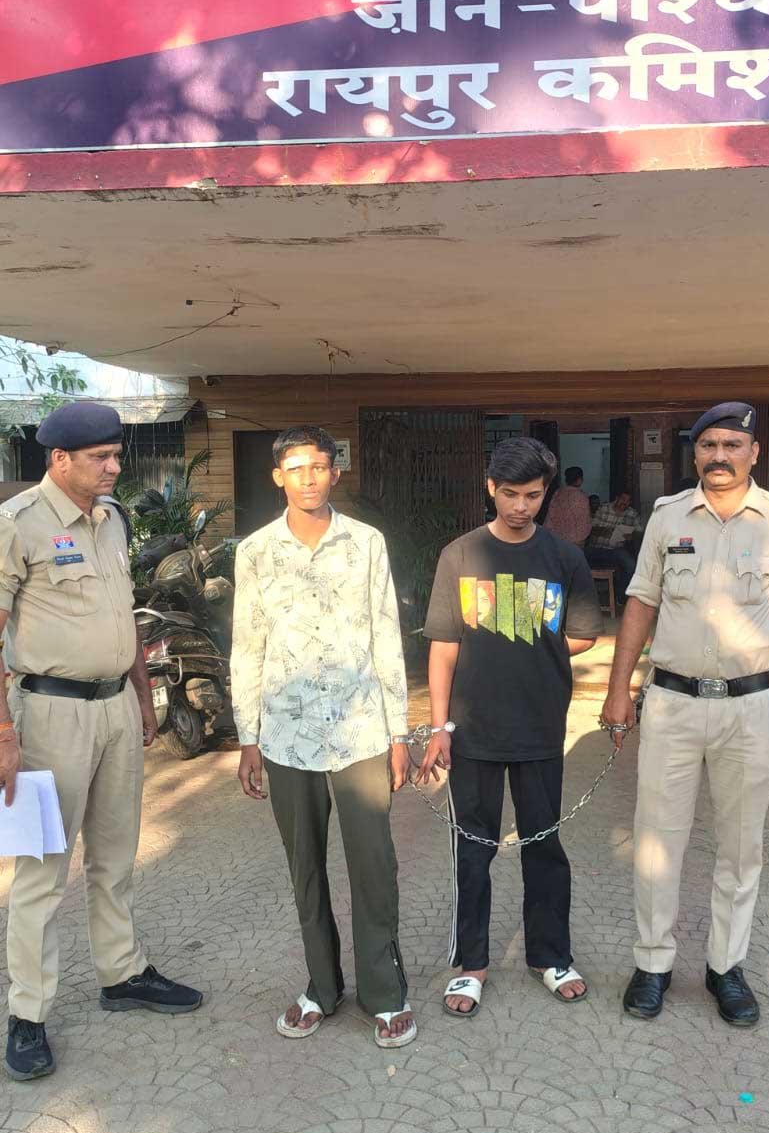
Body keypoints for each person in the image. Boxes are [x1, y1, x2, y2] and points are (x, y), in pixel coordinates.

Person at [602, 403, 769, 1028]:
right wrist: (618, 689)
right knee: (656, 841)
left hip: (750, 708)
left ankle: (726, 967)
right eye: (708, 445)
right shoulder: (667, 515)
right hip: (671, 703)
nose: (719, 456)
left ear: (754, 452)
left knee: (741, 845)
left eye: (732, 444)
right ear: (694, 453)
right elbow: (641, 602)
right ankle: (653, 963)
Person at [0, 403, 203, 1083]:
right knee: (42, 871)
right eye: (101, 457)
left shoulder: (113, 518)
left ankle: (121, 974)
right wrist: (3, 734)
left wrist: (144, 697)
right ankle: (28, 1013)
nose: (115, 467)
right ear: (59, 459)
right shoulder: (17, 523)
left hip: (116, 707)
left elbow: (124, 616)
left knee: (115, 855)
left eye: (117, 455)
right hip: (47, 717)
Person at [231, 425, 416, 1049]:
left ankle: (384, 992)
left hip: (360, 732)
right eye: (296, 468)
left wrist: (398, 733)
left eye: (319, 466)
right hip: (285, 736)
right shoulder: (255, 552)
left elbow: (387, 636)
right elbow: (248, 644)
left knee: (374, 865)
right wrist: (248, 737)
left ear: (336, 473)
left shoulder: (366, 543)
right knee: (305, 867)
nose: (308, 478)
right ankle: (321, 986)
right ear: (277, 476)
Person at [417, 437, 602, 1017]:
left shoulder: (564, 558)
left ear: (546, 494)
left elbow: (583, 634)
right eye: (511, 494)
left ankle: (550, 956)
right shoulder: (460, 555)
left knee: (544, 846)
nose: (522, 506)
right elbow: (443, 647)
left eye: (534, 495)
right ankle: (470, 964)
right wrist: (440, 726)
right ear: (491, 488)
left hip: (540, 727)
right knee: (473, 849)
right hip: (473, 729)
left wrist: (531, 653)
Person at [586, 489, 642, 606]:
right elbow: (590, 528)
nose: (624, 503)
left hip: (615, 550)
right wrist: (606, 531)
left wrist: (632, 536)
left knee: (631, 565)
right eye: (623, 499)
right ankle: (583, 599)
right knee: (579, 557)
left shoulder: (632, 514)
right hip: (596, 548)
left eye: (628, 501)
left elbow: (640, 532)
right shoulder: (604, 508)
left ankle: (621, 597)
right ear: (617, 498)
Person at [543, 466, 592, 547]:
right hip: (575, 541)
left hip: (557, 540)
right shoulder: (580, 496)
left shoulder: (558, 493)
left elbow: (550, 516)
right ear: (579, 480)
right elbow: (584, 521)